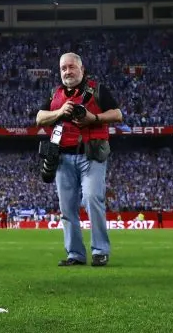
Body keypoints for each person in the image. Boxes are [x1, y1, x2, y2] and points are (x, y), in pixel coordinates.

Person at [35, 52, 123, 267]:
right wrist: (59, 112)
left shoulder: (97, 89)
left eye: (71, 67)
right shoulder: (54, 94)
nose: (67, 71)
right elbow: (39, 118)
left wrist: (94, 118)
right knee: (66, 208)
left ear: (82, 69)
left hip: (90, 154)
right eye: (63, 68)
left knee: (93, 199)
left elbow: (118, 114)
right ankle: (75, 254)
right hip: (62, 157)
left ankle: (100, 251)